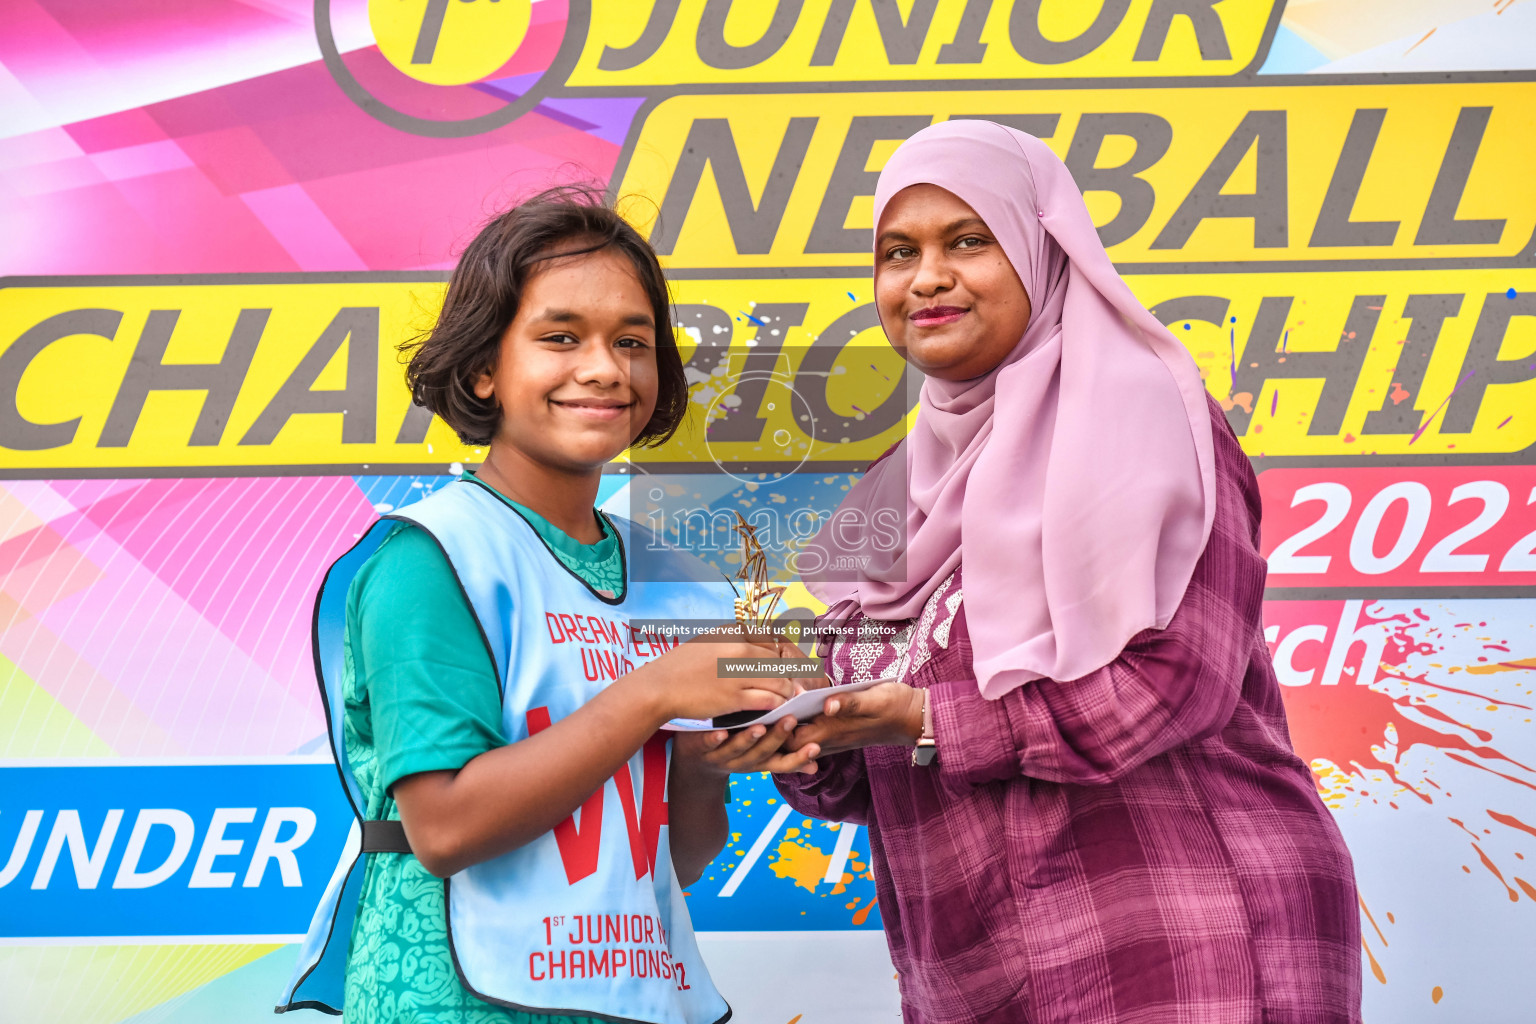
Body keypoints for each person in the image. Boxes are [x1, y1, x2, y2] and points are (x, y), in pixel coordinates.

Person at [774, 121, 1362, 1024]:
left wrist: (927, 716)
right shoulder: (888, 500)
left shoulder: (1147, 417)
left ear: (1044, 253)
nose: (926, 276)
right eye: (899, 252)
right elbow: (865, 768)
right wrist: (780, 721)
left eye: (969, 241)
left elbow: (1176, 685)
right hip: (976, 968)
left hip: (1182, 932)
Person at [278, 187, 820, 1024]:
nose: (605, 368)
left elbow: (678, 857)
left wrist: (709, 761)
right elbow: (447, 829)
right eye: (561, 337)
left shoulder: (676, 575)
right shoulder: (433, 556)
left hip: (627, 998)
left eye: (632, 342)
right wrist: (655, 693)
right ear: (484, 367)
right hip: (454, 1002)